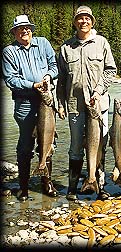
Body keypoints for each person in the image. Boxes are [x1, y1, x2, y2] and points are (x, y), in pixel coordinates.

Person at [56, 6, 117, 201]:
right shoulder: (66, 47)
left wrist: (98, 91)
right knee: (75, 145)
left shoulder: (102, 43)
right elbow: (62, 79)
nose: (83, 21)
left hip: (99, 105)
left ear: (92, 21)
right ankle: (73, 188)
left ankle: (99, 186)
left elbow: (110, 70)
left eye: (87, 18)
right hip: (74, 104)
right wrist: (60, 103)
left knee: (100, 144)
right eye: (80, 18)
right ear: (75, 22)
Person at [2, 15, 58, 201]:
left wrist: (49, 76)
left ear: (31, 29)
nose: (24, 31)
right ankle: (24, 187)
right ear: (14, 32)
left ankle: (46, 183)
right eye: (19, 28)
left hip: (47, 101)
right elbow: (11, 79)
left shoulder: (43, 43)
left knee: (50, 141)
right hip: (24, 103)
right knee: (26, 145)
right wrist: (33, 85)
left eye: (26, 27)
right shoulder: (9, 51)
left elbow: (54, 65)